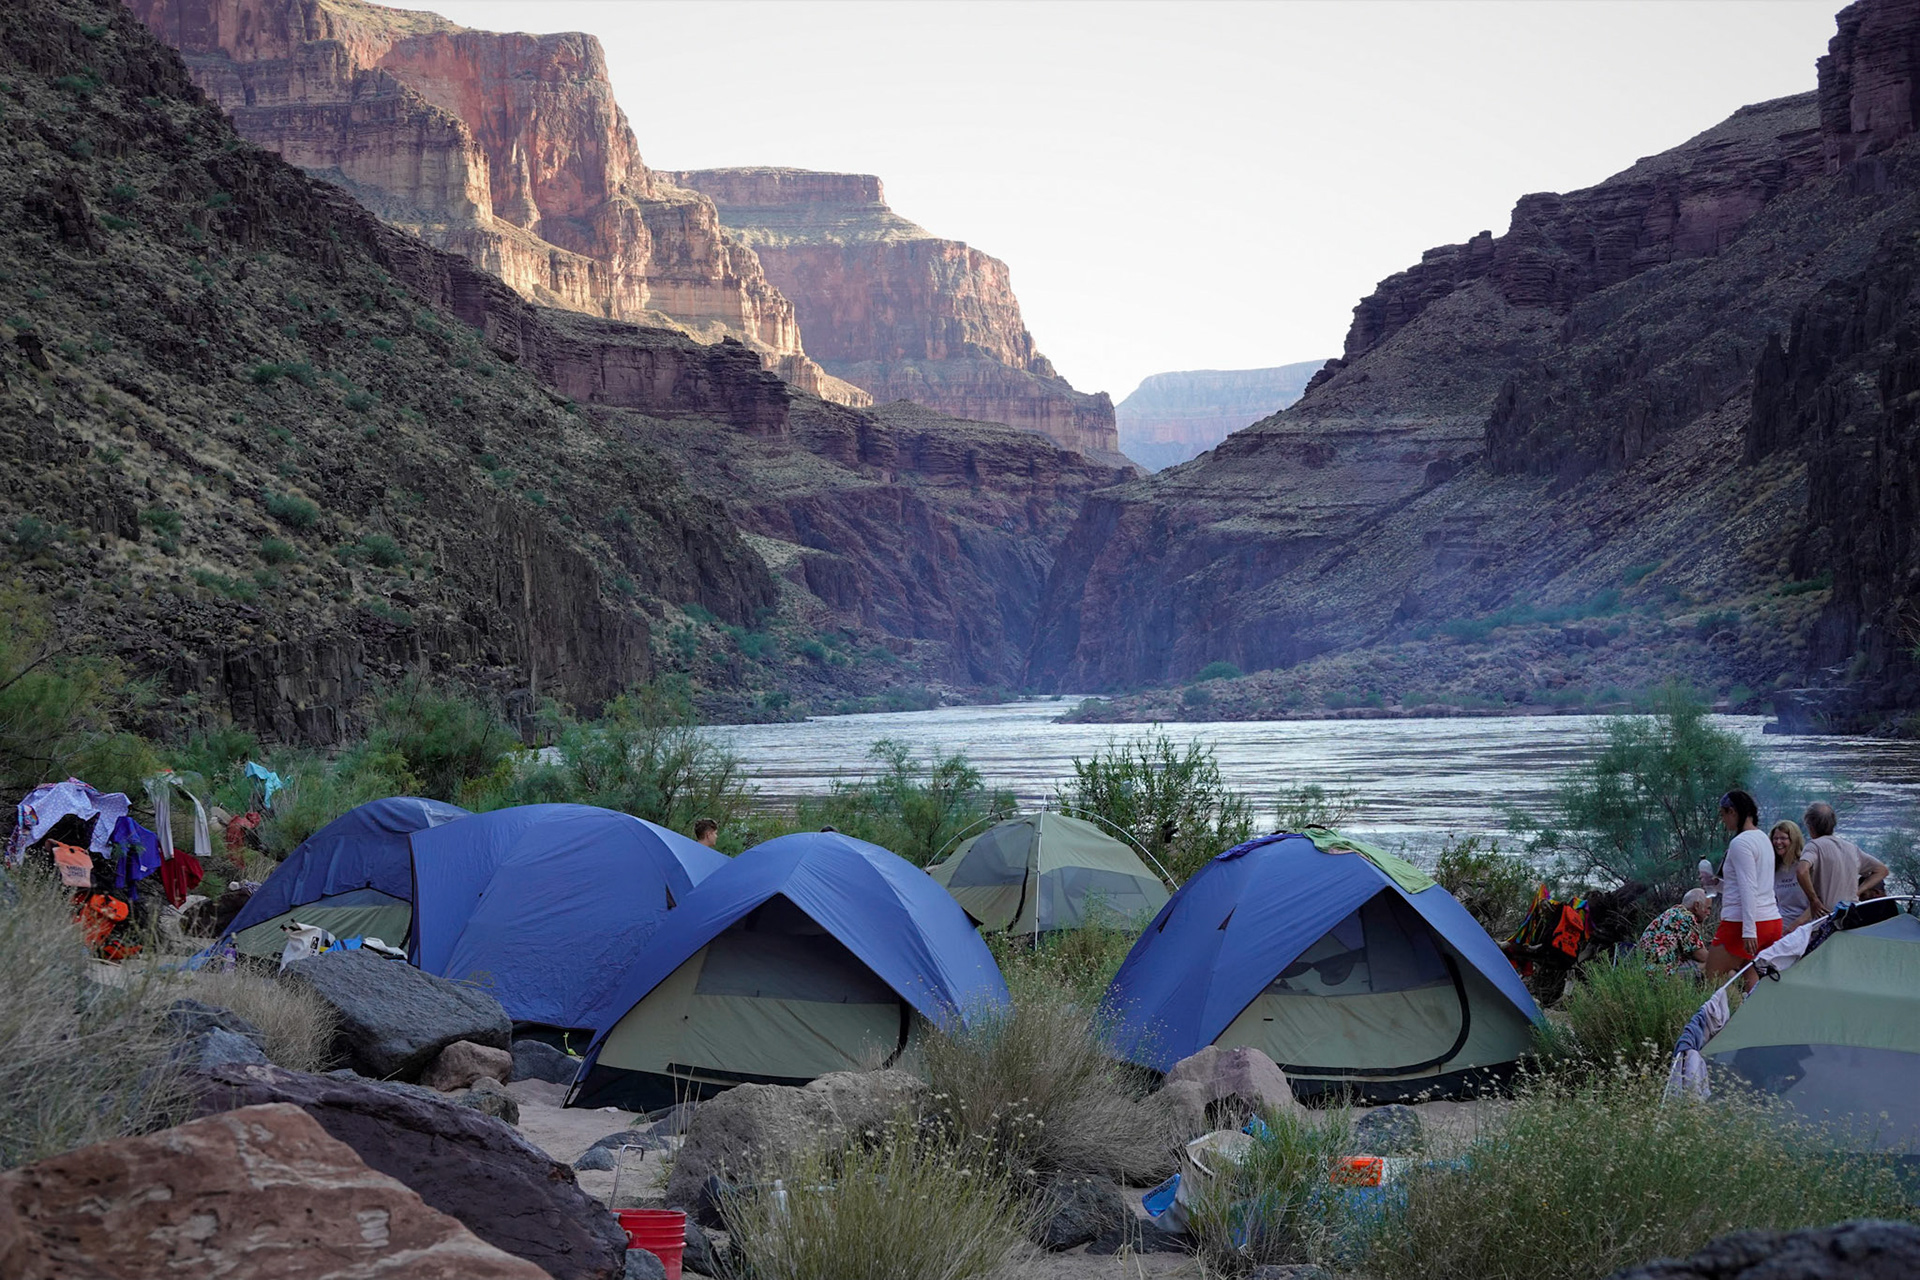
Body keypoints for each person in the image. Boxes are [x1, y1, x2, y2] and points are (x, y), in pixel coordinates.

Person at [1704, 789, 1781, 985]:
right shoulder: (1763, 838)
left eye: (1723, 814)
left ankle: (1729, 1014)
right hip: (1772, 920)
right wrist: (1718, 885)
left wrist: (1749, 931)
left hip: (1743, 923)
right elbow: (1752, 884)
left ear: (1733, 812)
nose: (1723, 820)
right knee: (1750, 974)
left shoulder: (1740, 843)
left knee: (1712, 976)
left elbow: (1748, 888)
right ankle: (1751, 1010)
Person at [1799, 801, 1889, 917]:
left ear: (1810, 826)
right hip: (1850, 915)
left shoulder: (1814, 846)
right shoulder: (1851, 848)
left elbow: (1802, 871)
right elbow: (1882, 870)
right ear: (1833, 824)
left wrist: (1813, 900)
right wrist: (1858, 892)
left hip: (1826, 918)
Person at [1636, 887, 1713, 976]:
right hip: (1662, 974)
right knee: (1713, 965)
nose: (1708, 913)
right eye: (1708, 908)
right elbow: (1700, 955)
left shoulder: (1673, 913)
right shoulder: (1686, 918)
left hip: (1644, 972)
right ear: (1696, 906)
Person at [1770, 819, 1815, 932]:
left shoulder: (1805, 866)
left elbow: (1819, 901)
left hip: (1806, 927)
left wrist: (1797, 924)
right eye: (1775, 838)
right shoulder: (1773, 868)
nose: (1778, 842)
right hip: (1779, 927)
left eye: (1783, 838)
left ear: (1793, 840)